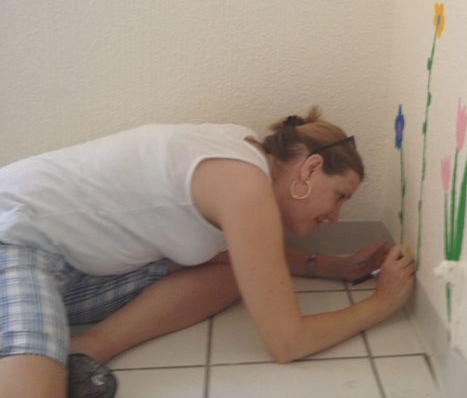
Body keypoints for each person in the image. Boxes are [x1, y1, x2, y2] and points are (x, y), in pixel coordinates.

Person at [0, 107, 415, 398]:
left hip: (72, 268)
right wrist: (382, 304)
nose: (337, 217)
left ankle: (87, 348)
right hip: (17, 239)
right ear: (309, 169)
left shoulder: (244, 156)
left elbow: (252, 260)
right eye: (339, 196)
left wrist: (332, 266)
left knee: (232, 273)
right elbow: (287, 343)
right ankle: (37, 355)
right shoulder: (243, 186)